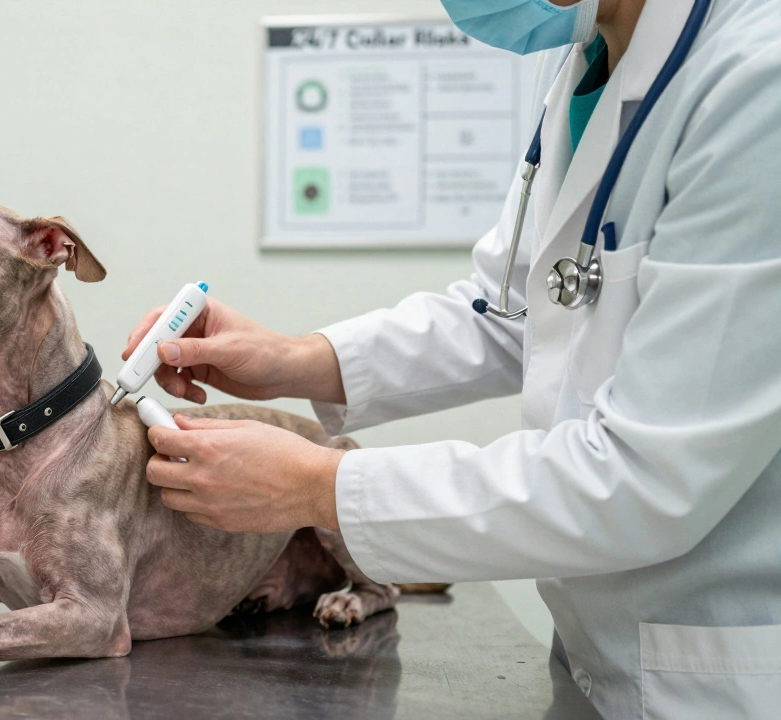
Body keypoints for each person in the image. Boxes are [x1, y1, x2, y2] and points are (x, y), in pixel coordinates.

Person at [123, 0, 781, 716]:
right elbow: (515, 307)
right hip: (600, 648)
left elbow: (647, 478)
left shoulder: (755, 82)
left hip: (718, 673)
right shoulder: (588, 54)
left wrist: (320, 486)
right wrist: (296, 358)